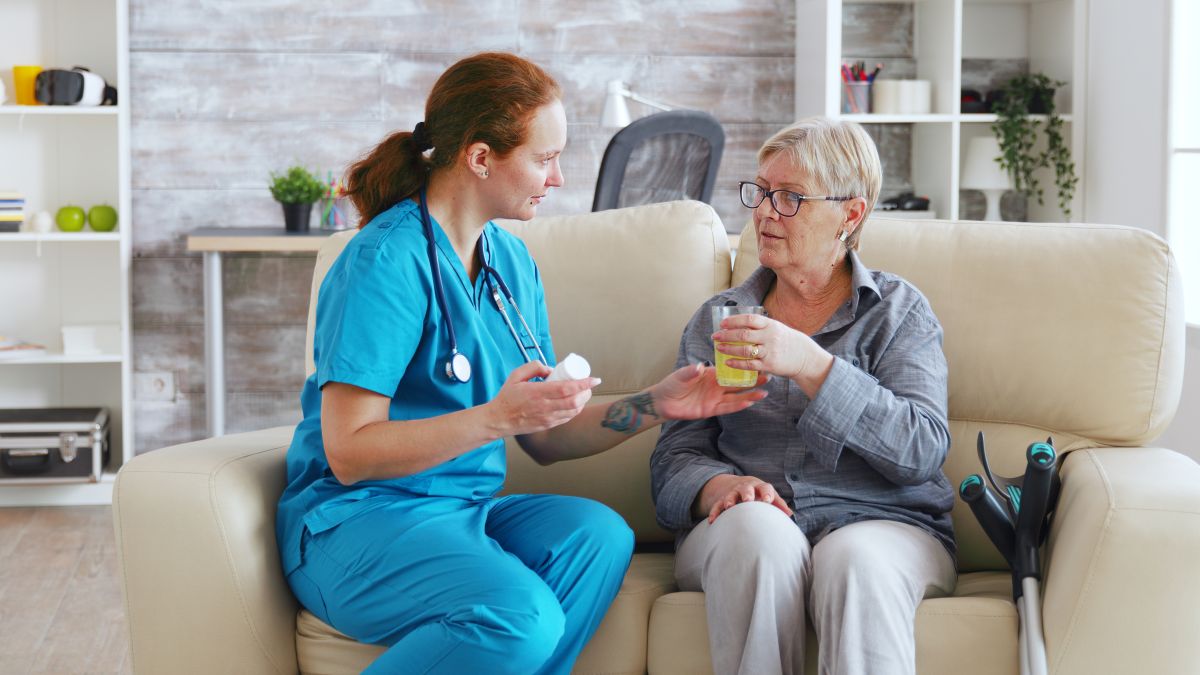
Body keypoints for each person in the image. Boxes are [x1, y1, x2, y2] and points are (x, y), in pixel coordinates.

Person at [275, 52, 768, 675]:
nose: (558, 178)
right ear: (481, 158)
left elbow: (545, 436)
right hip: (354, 525)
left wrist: (657, 404)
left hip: (459, 513)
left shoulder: (510, 263)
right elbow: (349, 453)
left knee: (598, 535)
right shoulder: (384, 263)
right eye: (544, 158)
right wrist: (494, 418)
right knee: (521, 615)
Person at [650, 116, 957, 675]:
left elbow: (922, 451)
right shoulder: (720, 319)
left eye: (790, 198)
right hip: (747, 529)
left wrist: (813, 365)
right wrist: (721, 485)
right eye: (762, 193)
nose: (765, 212)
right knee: (757, 532)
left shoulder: (898, 313)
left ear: (851, 213)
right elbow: (673, 461)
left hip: (882, 523)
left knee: (856, 560)